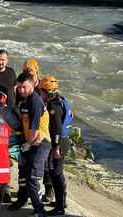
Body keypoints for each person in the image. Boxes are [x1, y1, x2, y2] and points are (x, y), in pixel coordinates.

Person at [9, 72, 51, 217]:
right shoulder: (25, 100)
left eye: (24, 87)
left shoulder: (35, 101)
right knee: (24, 174)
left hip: (40, 143)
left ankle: (40, 211)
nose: (21, 90)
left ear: (33, 84)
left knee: (33, 178)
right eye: (19, 87)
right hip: (29, 141)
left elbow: (34, 129)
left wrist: (28, 144)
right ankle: (22, 200)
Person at [39, 76, 73, 216]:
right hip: (64, 141)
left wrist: (56, 147)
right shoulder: (61, 100)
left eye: (40, 91)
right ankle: (61, 202)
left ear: (45, 91)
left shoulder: (53, 106)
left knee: (56, 174)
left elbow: (57, 128)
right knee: (58, 174)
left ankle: (59, 208)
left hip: (59, 142)